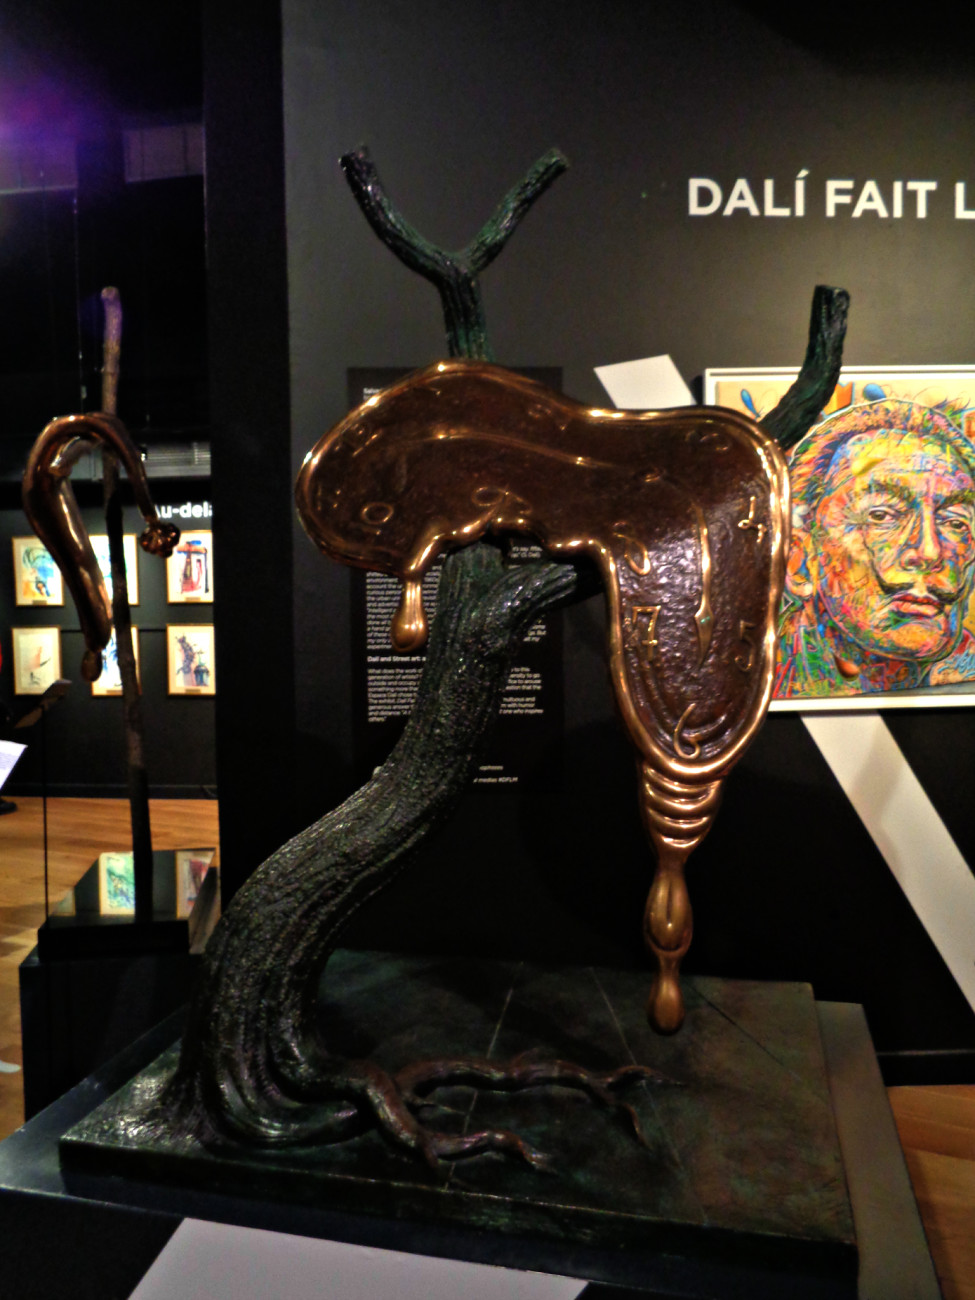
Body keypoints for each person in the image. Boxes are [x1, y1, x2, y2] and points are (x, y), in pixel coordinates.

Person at [774, 398, 975, 698]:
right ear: (799, 563)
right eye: (881, 516)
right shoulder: (747, 682)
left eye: (955, 522)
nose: (930, 552)